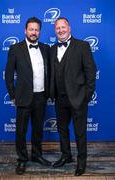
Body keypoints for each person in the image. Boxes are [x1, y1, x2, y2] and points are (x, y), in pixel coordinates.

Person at [50, 17, 97, 176]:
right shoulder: (52, 49)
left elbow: (91, 72)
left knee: (80, 132)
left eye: (63, 27)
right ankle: (66, 155)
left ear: (69, 28)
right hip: (59, 98)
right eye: (57, 28)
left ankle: (81, 162)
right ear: (55, 30)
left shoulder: (82, 46)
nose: (60, 30)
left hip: (78, 98)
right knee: (62, 129)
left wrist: (87, 95)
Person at [5, 17, 51, 175]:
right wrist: (12, 95)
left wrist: (49, 93)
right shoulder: (15, 49)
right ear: (25, 31)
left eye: (36, 29)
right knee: (21, 130)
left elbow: (50, 73)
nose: (34, 32)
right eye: (31, 29)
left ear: (40, 32)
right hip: (23, 97)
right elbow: (9, 74)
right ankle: (22, 159)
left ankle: (37, 155)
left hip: (41, 96)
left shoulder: (45, 48)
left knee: (38, 129)